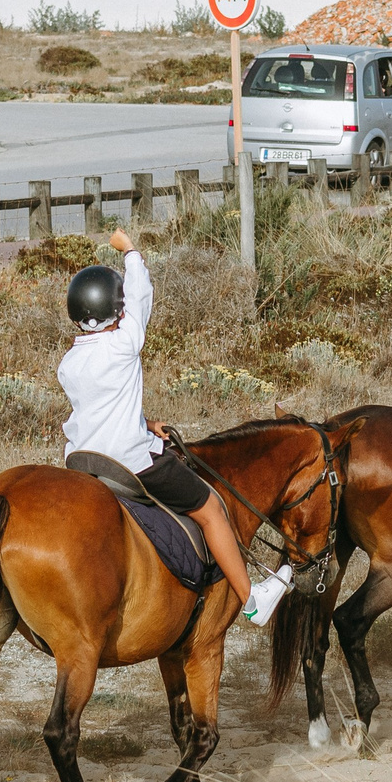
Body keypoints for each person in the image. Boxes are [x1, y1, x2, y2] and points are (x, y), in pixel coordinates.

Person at [61, 230, 291, 624]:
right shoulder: (123, 344)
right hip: (129, 461)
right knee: (212, 508)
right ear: (116, 313)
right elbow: (141, 295)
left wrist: (146, 422)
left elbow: (99, 408)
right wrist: (131, 251)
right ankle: (252, 601)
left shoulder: (68, 364)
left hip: (83, 460)